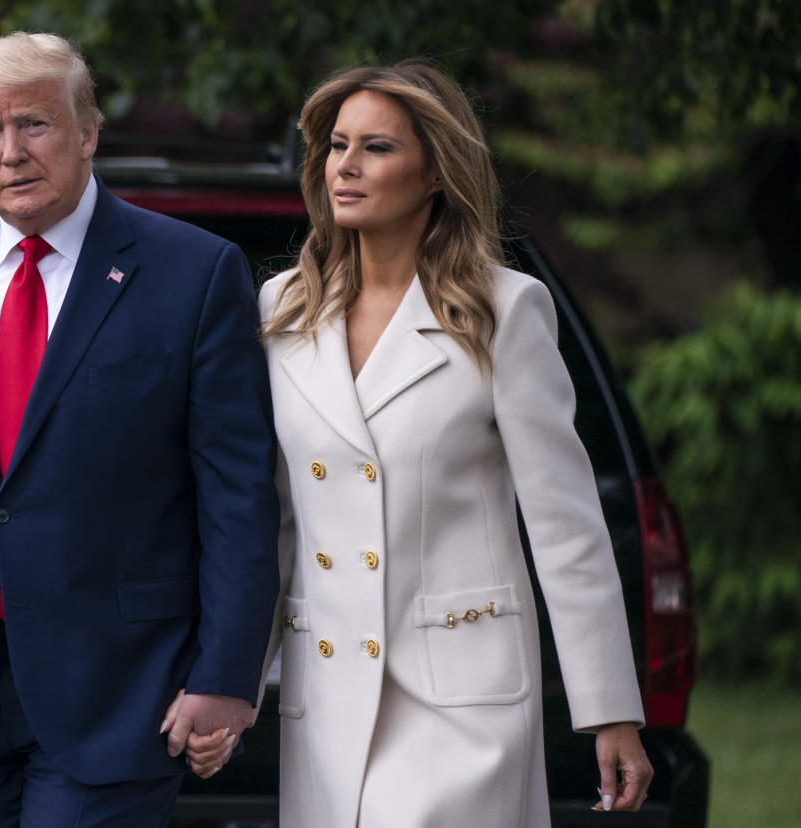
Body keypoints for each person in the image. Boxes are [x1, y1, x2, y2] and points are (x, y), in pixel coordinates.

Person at [0, 32, 279, 827]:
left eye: (34, 125)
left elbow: (237, 497)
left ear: (88, 132)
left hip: (121, 689)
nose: (12, 152)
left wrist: (230, 675)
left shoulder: (194, 272)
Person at [248, 60, 654, 826]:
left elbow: (565, 526)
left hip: (464, 702)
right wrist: (231, 682)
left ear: (436, 171)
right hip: (326, 695)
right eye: (337, 145)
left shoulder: (505, 310)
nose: (347, 166)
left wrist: (611, 710)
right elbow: (272, 514)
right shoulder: (282, 309)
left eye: (377, 148)